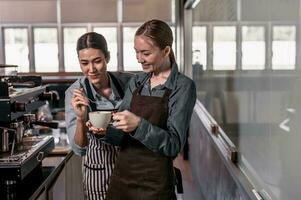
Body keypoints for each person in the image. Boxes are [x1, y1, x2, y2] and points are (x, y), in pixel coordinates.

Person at [89, 19, 196, 200]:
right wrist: (103, 131)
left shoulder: (183, 86)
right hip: (122, 179)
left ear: (166, 51)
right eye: (136, 52)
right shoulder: (137, 82)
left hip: (155, 186)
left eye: (145, 53)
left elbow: (173, 145)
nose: (139, 59)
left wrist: (138, 125)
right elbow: (119, 135)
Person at [65, 32, 132, 200]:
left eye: (97, 61)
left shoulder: (129, 83)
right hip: (99, 174)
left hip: (131, 169)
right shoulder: (74, 93)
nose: (91, 69)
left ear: (107, 57)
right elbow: (79, 149)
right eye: (84, 63)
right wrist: (81, 119)